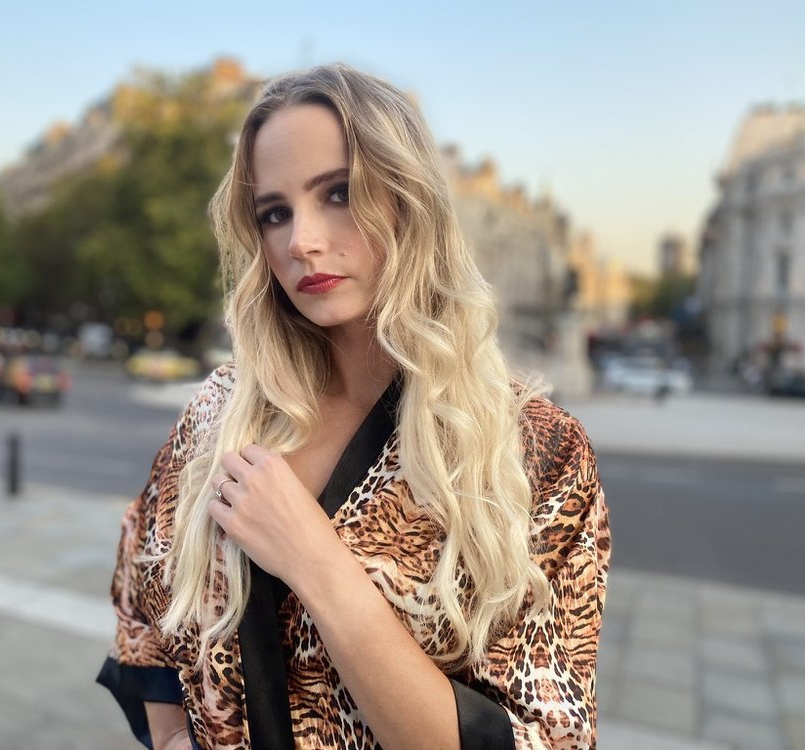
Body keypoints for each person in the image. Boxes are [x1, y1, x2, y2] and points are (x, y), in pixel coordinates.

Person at [97, 63, 609, 750]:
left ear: (408, 199)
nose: (301, 241)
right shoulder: (221, 408)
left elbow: (546, 736)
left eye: (338, 194)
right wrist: (168, 738)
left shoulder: (536, 451)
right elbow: (139, 589)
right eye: (274, 213)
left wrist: (313, 558)